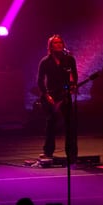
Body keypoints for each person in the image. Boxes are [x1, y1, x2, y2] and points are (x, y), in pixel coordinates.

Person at [36, 34, 79, 164]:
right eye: (56, 43)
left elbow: (74, 75)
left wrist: (73, 86)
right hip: (51, 96)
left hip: (65, 95)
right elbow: (39, 80)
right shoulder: (45, 61)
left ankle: (71, 154)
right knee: (51, 124)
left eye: (60, 42)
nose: (59, 45)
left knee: (70, 125)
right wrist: (45, 94)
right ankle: (48, 151)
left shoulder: (69, 59)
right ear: (50, 46)